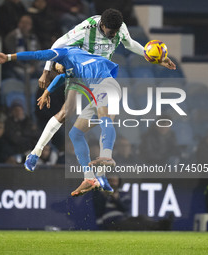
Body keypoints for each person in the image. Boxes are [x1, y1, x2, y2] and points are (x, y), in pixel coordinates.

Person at [23, 9, 176, 174]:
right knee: (66, 112)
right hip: (81, 71)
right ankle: (35, 153)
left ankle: (103, 166)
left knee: (108, 116)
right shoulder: (86, 28)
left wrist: (156, 59)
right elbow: (58, 43)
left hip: (101, 76)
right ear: (102, 25)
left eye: (116, 31)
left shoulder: (120, 28)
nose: (113, 35)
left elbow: (130, 44)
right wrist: (46, 70)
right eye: (111, 32)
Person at [0, 46, 119, 196]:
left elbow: (37, 54)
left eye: (55, 67)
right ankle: (90, 178)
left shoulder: (66, 52)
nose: (56, 70)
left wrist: (9, 56)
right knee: (75, 134)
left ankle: (104, 166)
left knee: (105, 118)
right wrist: (47, 92)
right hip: (97, 92)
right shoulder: (72, 69)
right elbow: (61, 77)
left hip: (107, 85)